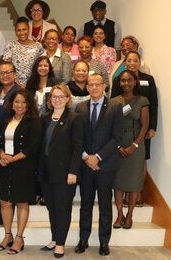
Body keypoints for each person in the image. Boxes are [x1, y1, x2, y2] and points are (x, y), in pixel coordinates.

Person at [74, 73, 123, 256]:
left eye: (97, 84)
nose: (94, 87)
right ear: (87, 87)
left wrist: (98, 157)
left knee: (104, 205)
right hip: (86, 165)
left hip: (106, 165)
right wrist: (87, 157)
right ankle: (83, 239)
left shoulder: (115, 107)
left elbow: (117, 137)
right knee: (85, 204)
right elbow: (77, 137)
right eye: (90, 85)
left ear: (104, 86)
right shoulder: (80, 107)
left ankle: (104, 242)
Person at [39, 84, 83, 258]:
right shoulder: (45, 117)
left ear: (67, 98)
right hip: (46, 171)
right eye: (54, 97)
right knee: (51, 208)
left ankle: (61, 244)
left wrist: (73, 171)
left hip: (65, 172)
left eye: (60, 96)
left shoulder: (74, 118)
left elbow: (78, 147)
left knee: (62, 208)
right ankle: (55, 238)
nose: (56, 99)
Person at [0, 89, 41, 255]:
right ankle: (7, 236)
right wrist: (2, 155)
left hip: (24, 167)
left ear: (28, 104)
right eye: (17, 102)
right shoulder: (6, 119)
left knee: (22, 202)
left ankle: (19, 238)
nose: (20, 105)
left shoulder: (34, 122)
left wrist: (11, 159)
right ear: (11, 104)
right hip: (5, 165)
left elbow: (33, 147)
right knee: (5, 202)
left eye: (23, 102)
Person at [111, 51, 158, 206]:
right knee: (120, 172)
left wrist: (151, 128)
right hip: (119, 139)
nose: (126, 83)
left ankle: (136, 196)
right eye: (129, 60)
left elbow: (152, 106)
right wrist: (117, 145)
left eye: (135, 60)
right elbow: (111, 121)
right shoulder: (116, 98)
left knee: (138, 166)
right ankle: (122, 203)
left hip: (139, 135)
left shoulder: (146, 85)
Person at [111, 70, 149, 230]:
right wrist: (118, 146)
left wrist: (134, 146)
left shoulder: (142, 100)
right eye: (123, 81)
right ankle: (119, 214)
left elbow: (145, 125)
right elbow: (110, 126)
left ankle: (130, 215)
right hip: (117, 145)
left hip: (136, 145)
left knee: (134, 182)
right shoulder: (114, 101)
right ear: (119, 83)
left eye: (129, 80)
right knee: (118, 182)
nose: (126, 83)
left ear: (135, 82)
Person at [0, 62, 20, 225]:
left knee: (9, 180)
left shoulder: (20, 92)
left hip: (12, 140)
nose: (5, 75)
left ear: (15, 74)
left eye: (8, 72)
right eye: (1, 73)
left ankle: (2, 216)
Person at [3, 16, 44, 88]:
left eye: (24, 29)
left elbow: (41, 67)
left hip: (33, 85)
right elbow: (7, 67)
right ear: (15, 32)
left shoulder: (38, 46)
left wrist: (29, 84)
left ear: (29, 29)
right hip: (14, 85)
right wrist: (17, 82)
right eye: (19, 30)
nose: (22, 33)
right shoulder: (11, 45)